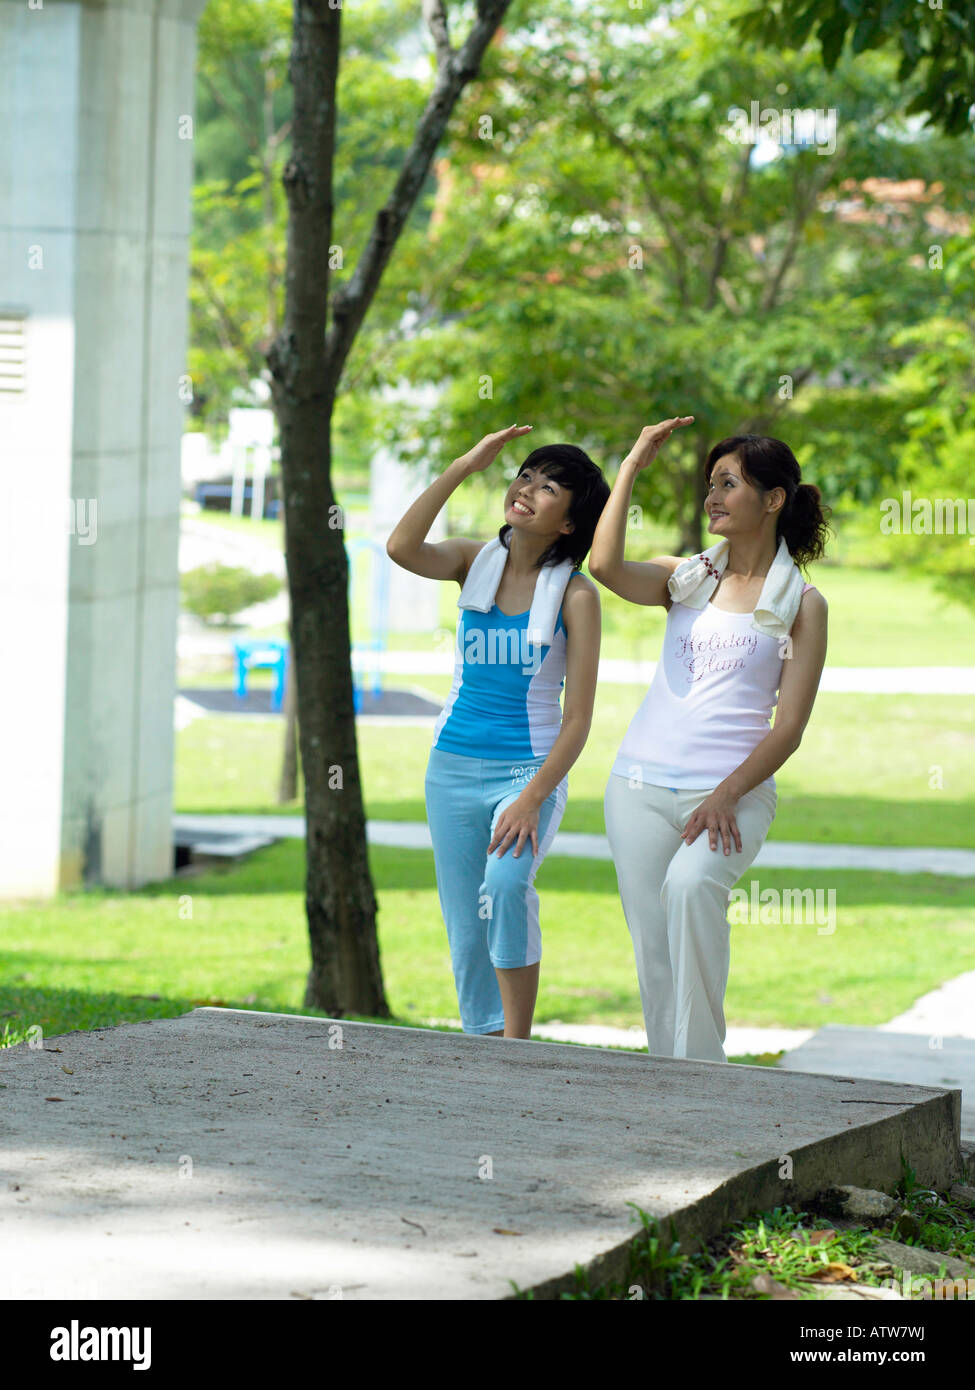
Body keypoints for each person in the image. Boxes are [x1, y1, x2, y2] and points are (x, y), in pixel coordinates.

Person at [589, 418, 829, 1063]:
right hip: (637, 785)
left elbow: (791, 726)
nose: (713, 497)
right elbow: (604, 565)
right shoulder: (686, 579)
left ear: (773, 499)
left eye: (729, 484)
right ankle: (671, 1080)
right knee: (653, 941)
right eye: (710, 485)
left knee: (693, 888)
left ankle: (703, 1080)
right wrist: (632, 463)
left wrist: (725, 795)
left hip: (730, 792)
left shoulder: (803, 604)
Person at [386, 424, 610, 1039]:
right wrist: (464, 464)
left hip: (526, 770)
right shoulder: (469, 561)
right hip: (452, 766)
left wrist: (532, 798)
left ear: (569, 523)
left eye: (549, 488)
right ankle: (480, 1040)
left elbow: (580, 719)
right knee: (466, 920)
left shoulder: (577, 596)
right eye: (526, 477)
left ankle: (516, 1046)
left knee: (507, 888)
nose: (528, 490)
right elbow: (401, 547)